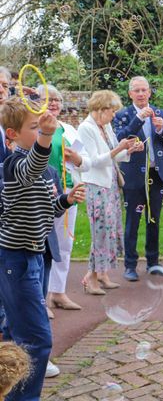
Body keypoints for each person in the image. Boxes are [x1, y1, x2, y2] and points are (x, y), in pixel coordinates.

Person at [0, 96, 84, 400]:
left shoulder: (37, 169)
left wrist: (65, 200)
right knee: (36, 339)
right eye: (34, 127)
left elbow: (44, 210)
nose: (40, 131)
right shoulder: (13, 165)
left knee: (14, 334)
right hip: (16, 260)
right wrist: (48, 135)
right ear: (12, 134)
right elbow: (31, 165)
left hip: (32, 257)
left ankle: (10, 393)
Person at [32, 85, 91, 312]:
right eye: (49, 99)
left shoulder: (68, 129)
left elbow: (86, 161)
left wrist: (77, 159)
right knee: (42, 245)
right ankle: (41, 298)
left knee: (64, 244)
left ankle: (59, 292)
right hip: (42, 193)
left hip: (67, 193)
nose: (54, 103)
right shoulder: (35, 127)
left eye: (57, 99)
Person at [113, 76, 163, 281]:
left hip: (156, 175)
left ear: (149, 92)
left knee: (154, 220)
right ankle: (130, 266)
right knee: (133, 221)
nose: (141, 94)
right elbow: (119, 137)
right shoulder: (123, 114)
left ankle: (153, 262)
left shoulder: (161, 114)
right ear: (130, 94)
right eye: (136, 90)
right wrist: (139, 119)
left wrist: (161, 129)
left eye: (144, 90)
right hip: (133, 176)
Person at [78, 90, 141, 295]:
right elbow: (94, 161)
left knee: (111, 230)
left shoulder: (105, 126)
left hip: (111, 183)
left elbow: (115, 155)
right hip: (96, 186)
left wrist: (129, 150)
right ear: (101, 109)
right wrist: (117, 150)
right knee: (100, 232)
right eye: (112, 111)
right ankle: (91, 277)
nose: (114, 115)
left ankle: (103, 273)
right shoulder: (86, 128)